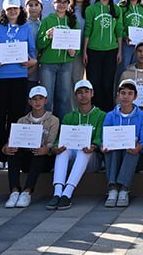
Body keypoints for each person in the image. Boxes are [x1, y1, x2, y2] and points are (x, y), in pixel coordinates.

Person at [0, 0, 39, 168]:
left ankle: (14, 156)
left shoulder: (26, 28)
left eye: (15, 8)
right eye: (9, 9)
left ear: (20, 10)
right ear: (4, 11)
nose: (12, 11)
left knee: (16, 117)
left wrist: (31, 61)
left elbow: (32, 53)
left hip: (19, 77)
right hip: (1, 78)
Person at [49, 79, 105, 209]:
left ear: (92, 93)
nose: (83, 95)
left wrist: (93, 146)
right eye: (80, 92)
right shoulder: (69, 117)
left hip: (91, 159)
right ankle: (57, 192)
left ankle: (67, 193)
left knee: (83, 151)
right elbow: (60, 139)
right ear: (75, 95)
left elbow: (99, 138)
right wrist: (56, 147)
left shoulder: (101, 115)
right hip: (72, 158)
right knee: (63, 151)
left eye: (86, 91)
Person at [1, 85, 59, 208]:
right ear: (29, 101)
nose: (38, 102)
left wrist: (47, 149)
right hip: (26, 158)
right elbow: (11, 141)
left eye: (40, 98)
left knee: (39, 152)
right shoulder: (21, 120)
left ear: (46, 100)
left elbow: (51, 143)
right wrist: (6, 149)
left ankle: (27, 192)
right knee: (13, 151)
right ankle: (14, 191)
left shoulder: (53, 120)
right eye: (34, 99)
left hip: (44, 160)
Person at [103, 79, 143, 207]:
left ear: (135, 97)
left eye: (130, 93)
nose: (126, 97)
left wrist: (139, 147)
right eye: (123, 93)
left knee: (131, 149)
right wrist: (104, 145)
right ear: (118, 95)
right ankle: (113, 188)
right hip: (115, 157)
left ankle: (124, 189)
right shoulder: (110, 116)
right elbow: (105, 138)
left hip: (134, 158)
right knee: (111, 149)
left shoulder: (142, 116)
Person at [35, 0, 78, 119]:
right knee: (47, 97)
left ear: (69, 4)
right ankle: (47, 125)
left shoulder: (72, 21)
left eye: (65, 2)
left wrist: (74, 52)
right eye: (59, 2)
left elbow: (77, 44)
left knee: (64, 97)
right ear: (53, 4)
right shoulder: (47, 20)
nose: (62, 5)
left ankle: (61, 126)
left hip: (66, 64)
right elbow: (39, 44)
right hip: (48, 64)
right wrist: (47, 37)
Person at [84, 0, 123, 112]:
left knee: (108, 83)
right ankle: (95, 112)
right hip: (93, 50)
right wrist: (84, 52)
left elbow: (119, 30)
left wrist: (119, 51)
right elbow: (88, 30)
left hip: (111, 51)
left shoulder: (117, 9)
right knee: (94, 83)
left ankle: (108, 113)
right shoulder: (91, 9)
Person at [119, 0, 143, 67]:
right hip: (125, 43)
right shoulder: (121, 7)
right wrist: (125, 36)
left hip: (139, 44)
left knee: (137, 67)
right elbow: (118, 25)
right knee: (124, 67)